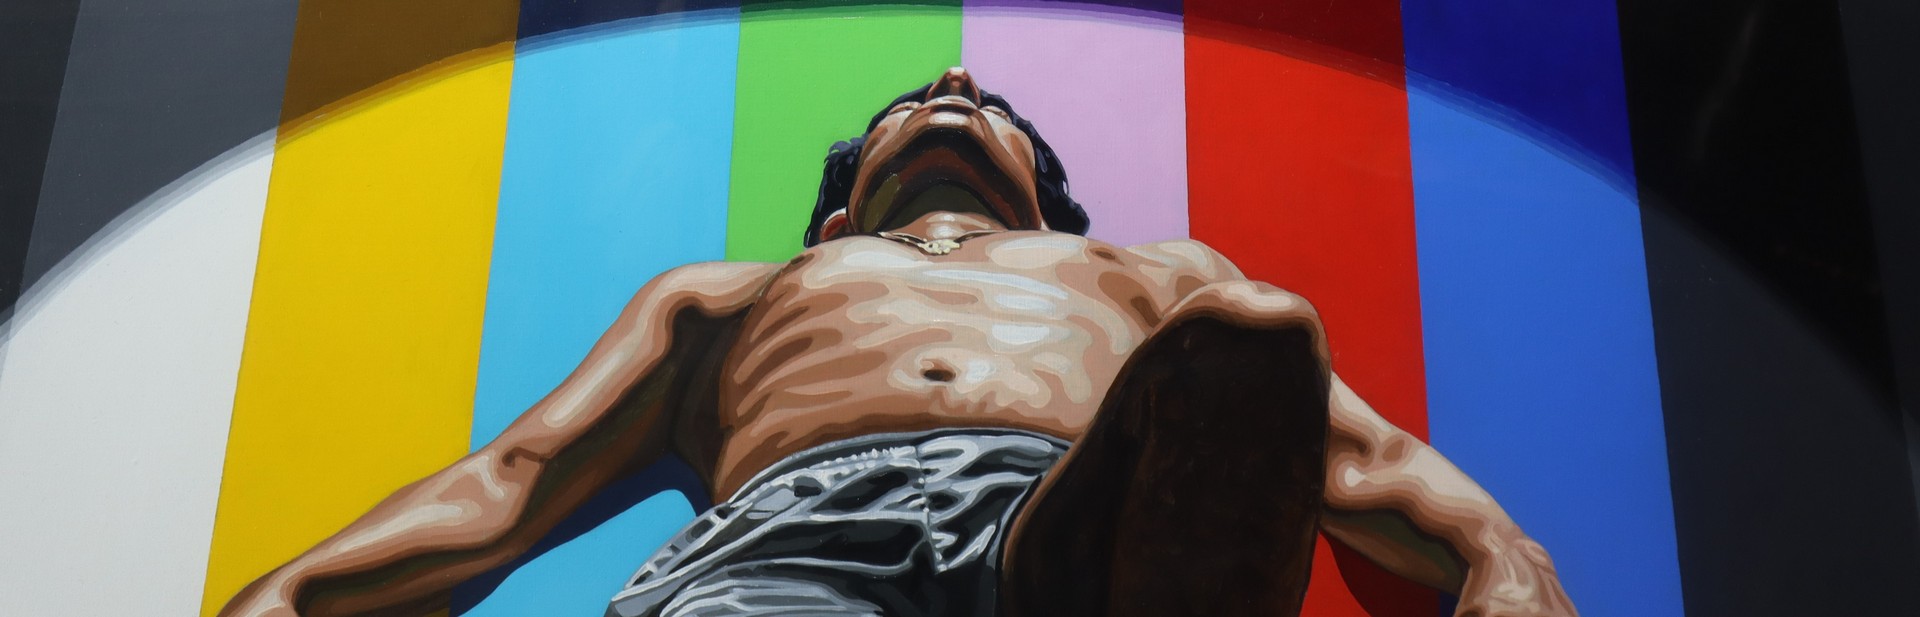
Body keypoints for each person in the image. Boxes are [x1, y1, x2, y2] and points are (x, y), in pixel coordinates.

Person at [221, 67, 1576, 617]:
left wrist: (1501, 564)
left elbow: (1363, 458)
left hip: (1074, 531)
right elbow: (513, 479)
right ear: (839, 209)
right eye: (911, 105)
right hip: (786, 548)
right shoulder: (730, 295)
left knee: (1257, 336)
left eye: (987, 107)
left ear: (1045, 200)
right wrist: (290, 598)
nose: (953, 88)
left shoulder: (1149, 272)